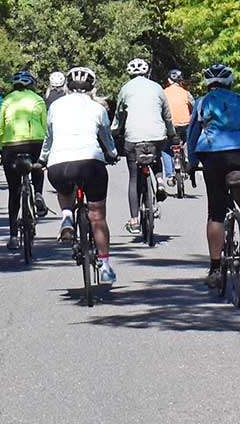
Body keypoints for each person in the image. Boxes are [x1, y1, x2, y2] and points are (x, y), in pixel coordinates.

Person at [185, 63, 240, 292]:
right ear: (230, 82)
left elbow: (193, 134)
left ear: (208, 84)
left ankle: (215, 269)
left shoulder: (202, 103)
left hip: (214, 154)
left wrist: (192, 162)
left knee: (216, 213)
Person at [41, 66, 119, 285]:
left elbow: (49, 138)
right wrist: (112, 154)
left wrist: (43, 159)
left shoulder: (55, 106)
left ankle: (66, 215)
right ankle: (104, 266)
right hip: (91, 164)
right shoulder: (98, 108)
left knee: (65, 190)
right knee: (97, 216)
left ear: (67, 86)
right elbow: (107, 139)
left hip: (59, 165)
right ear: (93, 87)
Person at [114, 58, 176, 230]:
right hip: (156, 135)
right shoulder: (157, 87)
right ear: (147, 72)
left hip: (133, 139)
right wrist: (171, 133)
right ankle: (160, 181)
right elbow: (167, 114)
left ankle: (134, 219)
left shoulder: (125, 89)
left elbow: (119, 115)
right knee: (156, 156)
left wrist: (115, 132)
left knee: (134, 178)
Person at [0, 69, 50, 250]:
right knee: (38, 167)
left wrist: (1, 147)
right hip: (35, 142)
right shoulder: (38, 100)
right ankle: (38, 194)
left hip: (12, 145)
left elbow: (0, 128)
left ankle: (13, 236)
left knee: (14, 190)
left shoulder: (7, 100)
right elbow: (45, 125)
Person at [162, 68, 194, 187]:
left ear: (169, 80)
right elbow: (194, 107)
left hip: (169, 125)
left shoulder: (163, 93)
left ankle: (170, 175)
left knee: (165, 148)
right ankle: (187, 159)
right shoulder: (185, 93)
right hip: (184, 124)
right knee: (186, 141)